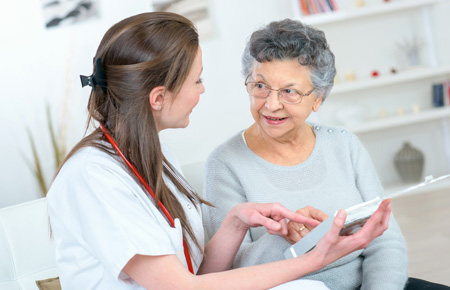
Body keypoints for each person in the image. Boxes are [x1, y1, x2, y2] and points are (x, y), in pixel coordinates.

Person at [47, 12, 393, 290]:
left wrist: (236, 221)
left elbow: (199, 274)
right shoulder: (93, 176)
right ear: (158, 98)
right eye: (197, 80)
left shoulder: (156, 153)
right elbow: (182, 287)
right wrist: (315, 259)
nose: (202, 90)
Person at [202, 18, 450, 290]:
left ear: (318, 98)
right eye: (260, 86)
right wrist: (285, 237)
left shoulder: (344, 144)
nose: (271, 105)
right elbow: (228, 273)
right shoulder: (224, 164)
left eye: (289, 91)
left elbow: (386, 240)